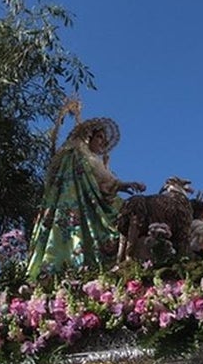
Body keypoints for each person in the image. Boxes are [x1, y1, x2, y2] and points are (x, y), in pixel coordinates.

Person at [26, 117, 145, 278]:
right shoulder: (77, 156)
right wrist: (120, 185)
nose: (103, 142)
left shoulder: (96, 161)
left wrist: (124, 185)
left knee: (130, 214)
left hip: (94, 201)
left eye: (104, 139)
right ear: (88, 137)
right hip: (80, 205)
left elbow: (104, 183)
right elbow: (91, 180)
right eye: (99, 137)